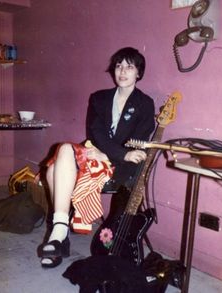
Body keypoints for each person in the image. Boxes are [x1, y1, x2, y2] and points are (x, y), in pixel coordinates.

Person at [40, 47, 155, 268]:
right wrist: (109, 151)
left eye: (129, 67)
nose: (122, 71)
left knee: (54, 171)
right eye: (118, 66)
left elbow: (137, 145)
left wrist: (111, 153)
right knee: (64, 149)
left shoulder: (145, 104)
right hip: (97, 151)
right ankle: (60, 229)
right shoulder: (99, 98)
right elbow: (96, 132)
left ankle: (59, 237)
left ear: (138, 73)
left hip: (121, 165)